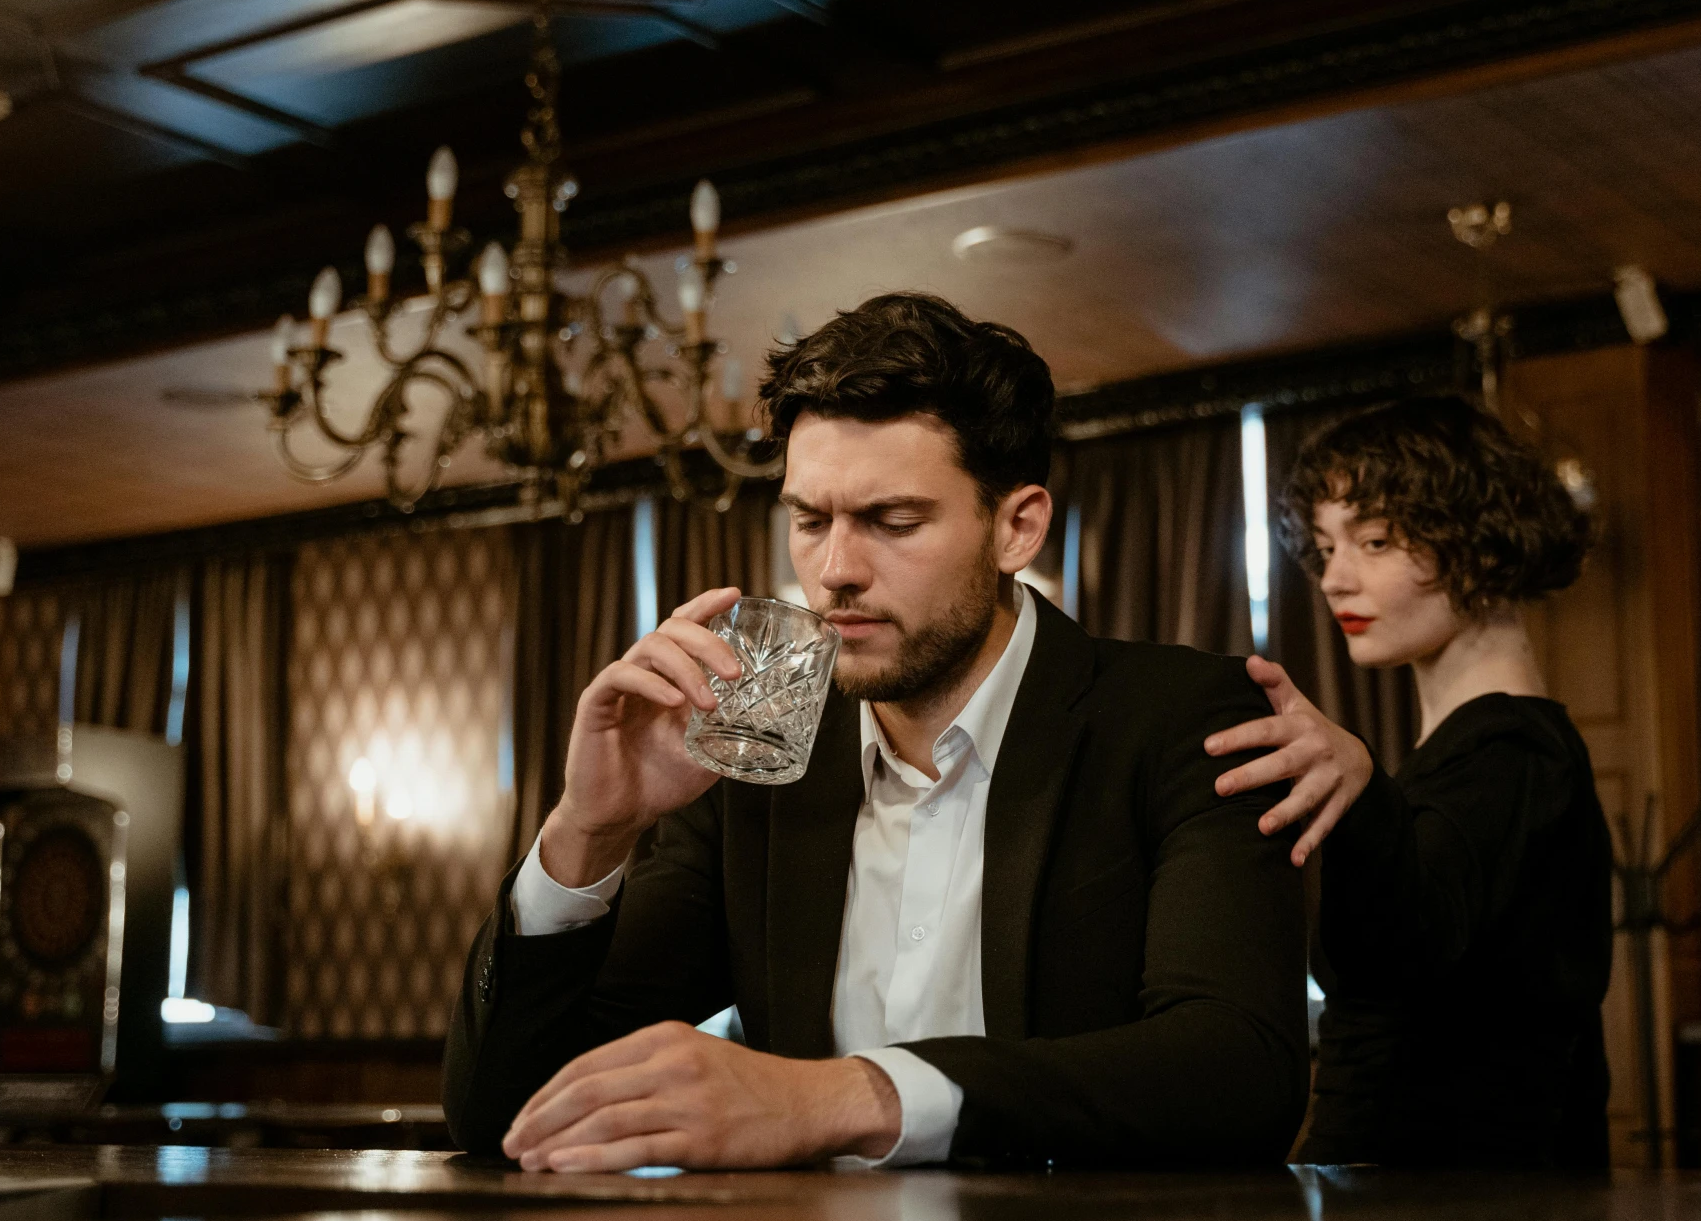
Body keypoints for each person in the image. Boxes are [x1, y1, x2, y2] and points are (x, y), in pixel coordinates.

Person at [443, 292, 1307, 1172]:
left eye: (893, 522)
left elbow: (1240, 1073)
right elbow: (504, 1112)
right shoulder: (759, 764)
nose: (835, 571)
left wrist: (844, 1097)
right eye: (810, 520)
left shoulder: (1180, 718)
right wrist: (590, 831)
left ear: (1018, 526)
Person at [1202, 396, 1612, 1170]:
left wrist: (1363, 794)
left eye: (1376, 540)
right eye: (1324, 547)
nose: (1333, 578)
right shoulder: (1481, 749)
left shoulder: (1516, 751)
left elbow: (1403, 955)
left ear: (1477, 539)